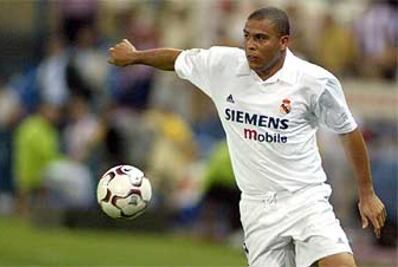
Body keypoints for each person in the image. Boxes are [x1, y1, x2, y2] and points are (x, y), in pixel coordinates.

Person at [108, 6, 386, 267]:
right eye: (247, 36)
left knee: (340, 264)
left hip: (305, 198)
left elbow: (348, 131)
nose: (250, 45)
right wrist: (135, 56)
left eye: (261, 38)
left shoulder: (314, 82)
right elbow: (178, 59)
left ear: (283, 42)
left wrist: (367, 193)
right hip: (257, 207)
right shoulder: (224, 65)